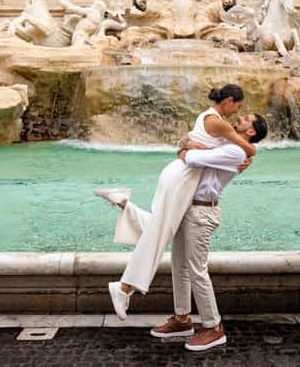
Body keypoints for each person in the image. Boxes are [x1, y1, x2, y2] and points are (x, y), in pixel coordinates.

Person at [92, 85, 256, 321]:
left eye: (245, 117)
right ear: (229, 101)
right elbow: (246, 148)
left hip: (179, 176)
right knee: (158, 233)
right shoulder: (220, 124)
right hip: (183, 177)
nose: (239, 114)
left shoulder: (212, 120)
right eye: (239, 107)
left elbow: (198, 142)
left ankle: (123, 203)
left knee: (157, 228)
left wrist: (185, 144)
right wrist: (251, 153)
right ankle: (124, 287)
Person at [150, 112, 268, 352]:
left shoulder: (235, 151)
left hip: (202, 213)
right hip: (188, 208)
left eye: (246, 118)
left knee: (197, 270)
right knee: (179, 266)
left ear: (251, 132)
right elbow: (192, 143)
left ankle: (214, 328)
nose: (240, 116)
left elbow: (192, 159)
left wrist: (183, 152)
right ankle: (182, 319)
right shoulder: (228, 144)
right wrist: (184, 145)